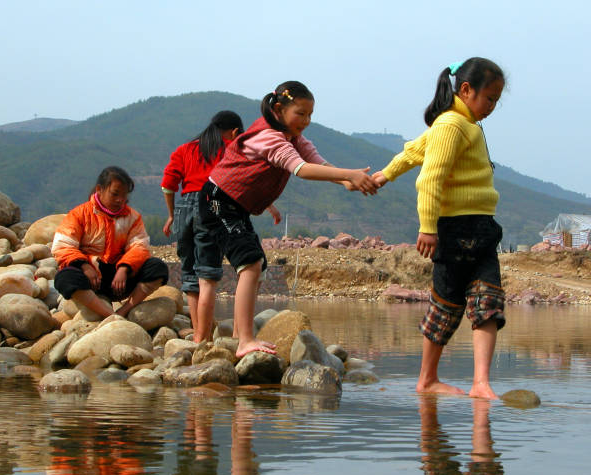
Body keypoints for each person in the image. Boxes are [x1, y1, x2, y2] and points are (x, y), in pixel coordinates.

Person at [200, 80, 378, 357]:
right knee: (250, 263)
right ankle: (245, 341)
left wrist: (346, 179)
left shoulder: (293, 137)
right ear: (280, 109)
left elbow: (317, 161)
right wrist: (348, 174)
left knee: (259, 267)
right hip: (217, 201)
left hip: (235, 206)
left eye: (310, 115)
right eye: (301, 114)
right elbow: (302, 169)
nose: (305, 121)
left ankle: (238, 334)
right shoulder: (269, 137)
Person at [373, 58, 506, 399]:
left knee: (487, 302)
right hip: (454, 230)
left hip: (483, 229)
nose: (492, 107)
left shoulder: (461, 124)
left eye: (496, 100)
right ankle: (427, 379)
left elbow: (413, 152)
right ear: (466, 90)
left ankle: (480, 383)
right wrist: (427, 227)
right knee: (446, 304)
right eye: (489, 98)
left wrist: (383, 176)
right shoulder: (451, 125)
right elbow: (429, 176)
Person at [161, 111, 248, 341]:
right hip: (211, 205)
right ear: (235, 132)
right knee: (207, 274)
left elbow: (168, 185)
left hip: (184, 207)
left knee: (189, 273)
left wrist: (171, 215)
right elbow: (243, 181)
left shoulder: (185, 149)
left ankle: (200, 331)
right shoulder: (231, 148)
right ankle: (202, 338)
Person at [53, 166, 169, 319]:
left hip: (119, 279)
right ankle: (109, 314)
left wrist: (124, 268)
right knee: (64, 278)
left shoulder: (132, 218)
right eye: (115, 194)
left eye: (124, 196)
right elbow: (63, 245)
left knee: (157, 268)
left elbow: (140, 246)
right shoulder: (79, 214)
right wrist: (85, 265)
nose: (120, 200)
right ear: (99, 189)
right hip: (90, 278)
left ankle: (125, 309)